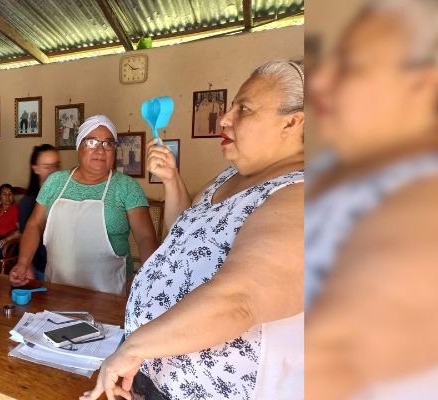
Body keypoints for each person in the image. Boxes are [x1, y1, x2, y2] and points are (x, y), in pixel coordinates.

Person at [82, 60, 305, 400]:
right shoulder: (230, 176)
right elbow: (182, 236)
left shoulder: (301, 195)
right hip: (151, 372)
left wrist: (133, 348)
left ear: (292, 122)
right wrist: (172, 180)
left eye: (243, 108)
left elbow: (239, 299)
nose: (225, 119)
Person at [306, 1, 438, 398]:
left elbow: (331, 360)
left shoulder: (422, 199)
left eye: (349, 66)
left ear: (422, 85)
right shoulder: (338, 161)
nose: (320, 82)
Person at [10, 115, 159, 295]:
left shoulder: (126, 187)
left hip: (110, 296)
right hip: (57, 290)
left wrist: (151, 279)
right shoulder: (55, 182)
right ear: (78, 147)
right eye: (91, 142)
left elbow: (145, 237)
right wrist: (23, 262)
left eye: (108, 144)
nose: (100, 150)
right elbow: (35, 224)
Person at [18, 144, 61, 279]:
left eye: (56, 166)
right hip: (43, 270)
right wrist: (26, 266)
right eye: (47, 167)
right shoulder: (28, 203)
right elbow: (26, 238)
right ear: (35, 168)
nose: (53, 171)